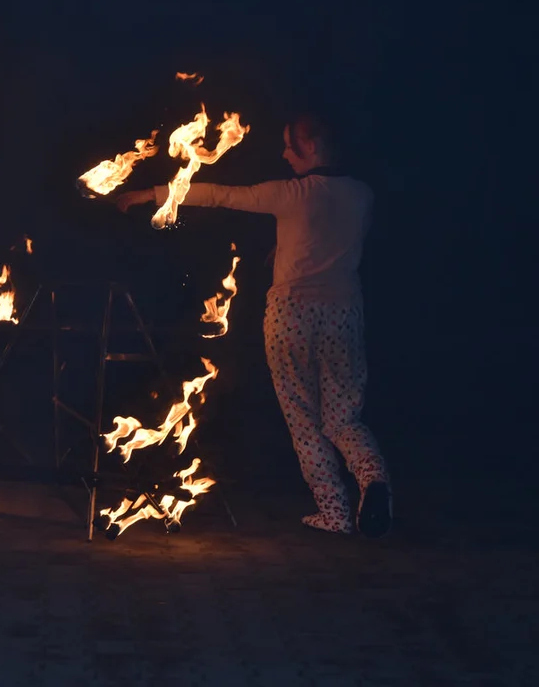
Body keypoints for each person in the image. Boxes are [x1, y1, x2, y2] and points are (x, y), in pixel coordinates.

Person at [116, 112, 392, 537]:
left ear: (313, 146)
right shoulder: (363, 195)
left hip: (292, 315)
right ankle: (373, 480)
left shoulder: (291, 194)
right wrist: (284, 251)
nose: (284, 153)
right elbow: (335, 240)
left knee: (303, 421)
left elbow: (219, 195)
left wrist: (151, 193)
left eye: (290, 145)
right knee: (343, 419)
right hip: (343, 314)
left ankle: (336, 514)